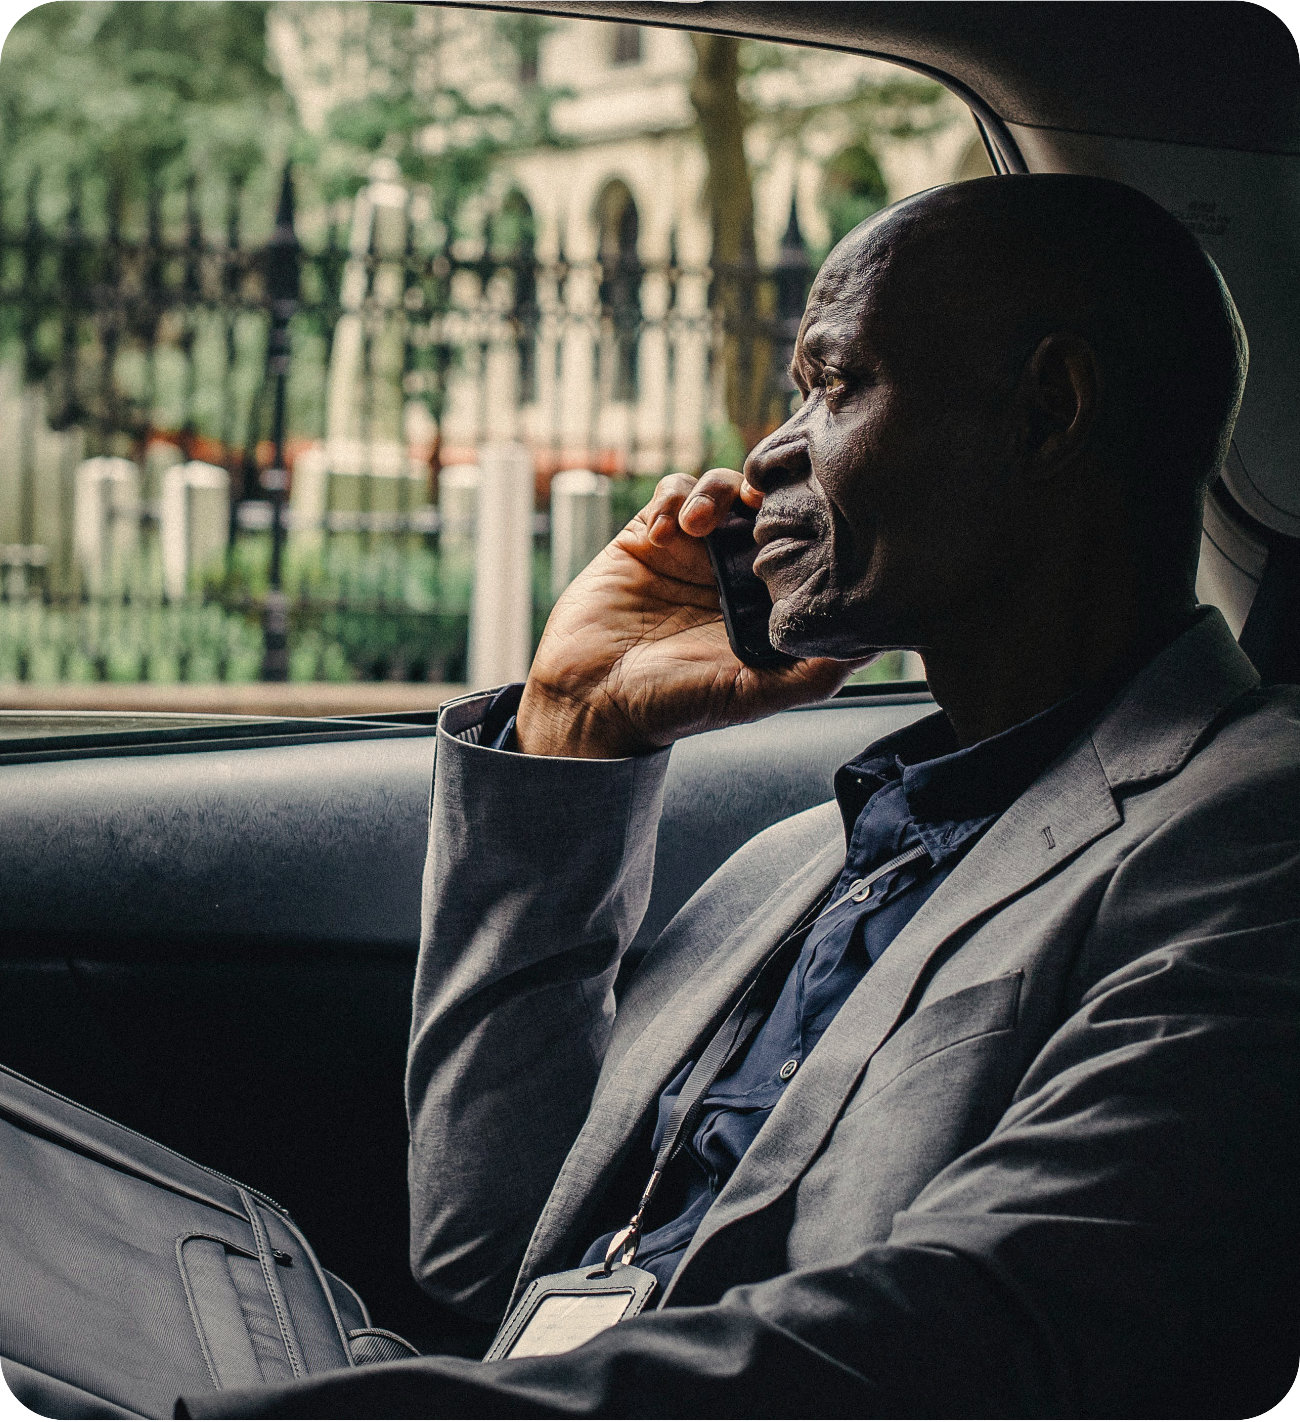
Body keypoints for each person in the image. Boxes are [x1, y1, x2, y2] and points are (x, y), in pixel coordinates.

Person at [181, 174, 1300, 1419]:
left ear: (1049, 409)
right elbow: (489, 1247)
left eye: (832, 385)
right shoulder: (798, 860)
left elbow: (988, 1326)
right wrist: (572, 726)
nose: (767, 455)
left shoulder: (1248, 827)